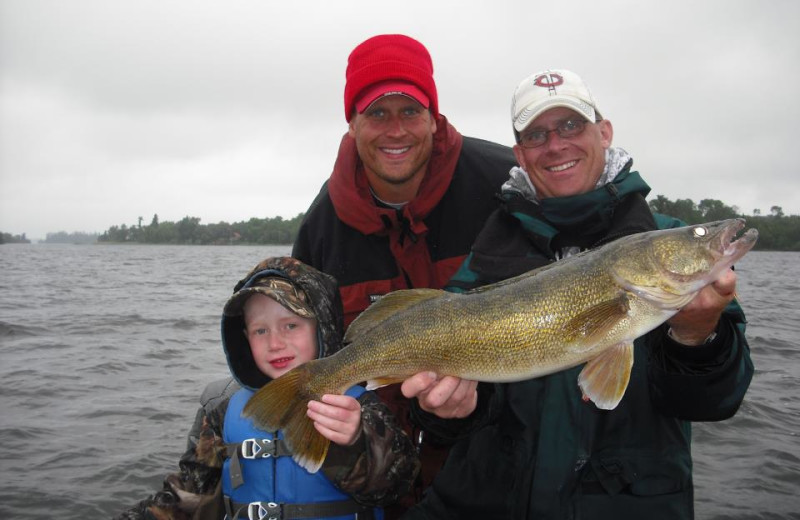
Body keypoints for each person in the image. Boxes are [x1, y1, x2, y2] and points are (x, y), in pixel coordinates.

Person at [400, 69, 754, 519]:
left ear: (603, 132)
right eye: (537, 134)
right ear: (520, 154)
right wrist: (447, 408)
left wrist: (697, 339)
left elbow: (717, 402)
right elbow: (453, 418)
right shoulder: (488, 254)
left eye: (571, 125)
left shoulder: (663, 240)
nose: (556, 144)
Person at [292, 34, 517, 516]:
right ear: (352, 123)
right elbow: (305, 347)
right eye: (377, 113)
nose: (395, 131)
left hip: (502, 478)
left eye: (410, 111)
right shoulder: (320, 228)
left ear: (434, 119)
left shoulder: (507, 183)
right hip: (387, 486)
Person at [115, 257, 419, 520]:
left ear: (322, 327)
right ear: (244, 338)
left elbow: (396, 487)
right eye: (261, 330)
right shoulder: (221, 408)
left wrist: (355, 442)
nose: (275, 343)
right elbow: (187, 496)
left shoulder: (360, 404)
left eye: (291, 325)